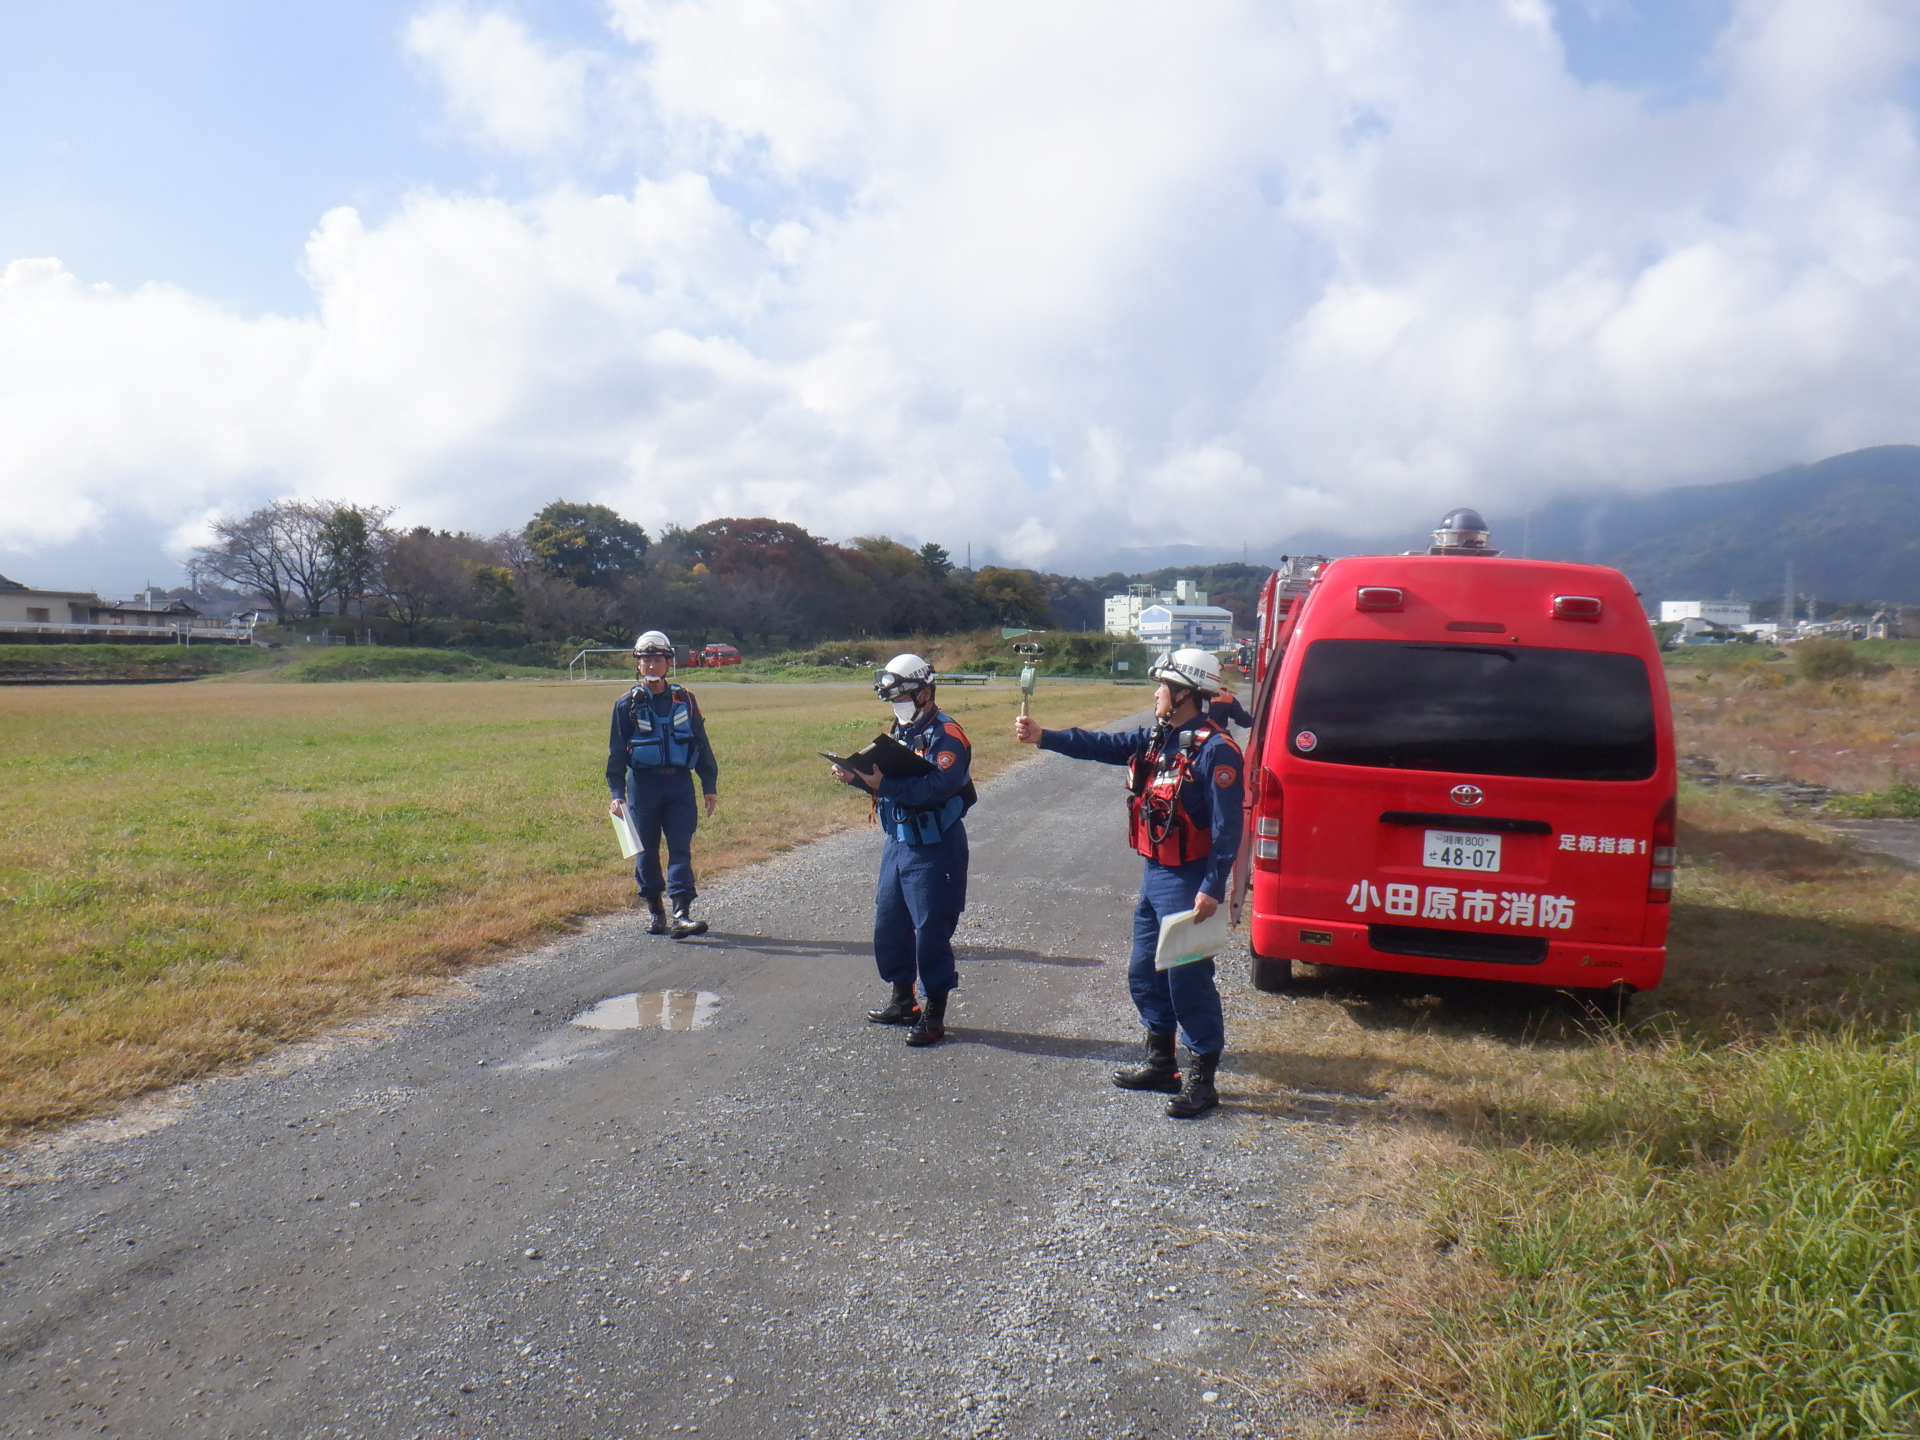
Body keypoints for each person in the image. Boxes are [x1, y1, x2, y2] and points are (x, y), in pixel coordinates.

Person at [1014, 648, 1243, 1118]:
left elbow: (1228, 830)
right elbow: (1102, 744)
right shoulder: (1159, 737)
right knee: (1144, 972)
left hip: (1188, 880)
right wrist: (1044, 736)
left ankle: (1202, 1080)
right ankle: (1162, 1064)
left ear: (1184, 694)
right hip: (1155, 874)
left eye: (1162, 686)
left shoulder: (1217, 750)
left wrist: (1212, 886)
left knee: (1188, 979)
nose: (1156, 694)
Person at [831, 654, 974, 1047]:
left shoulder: (948, 735)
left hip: (935, 848)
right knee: (890, 923)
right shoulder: (902, 730)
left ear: (924, 692)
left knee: (930, 931)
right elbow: (888, 779)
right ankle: (902, 1000)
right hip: (898, 842)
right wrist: (856, 778)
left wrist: (883, 785)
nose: (898, 705)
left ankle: (934, 1013)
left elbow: (938, 787)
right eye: (892, 699)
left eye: (902, 696)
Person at [607, 630, 719, 939]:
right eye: (646, 660)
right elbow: (617, 753)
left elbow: (700, 743)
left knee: (680, 847)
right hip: (643, 787)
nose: (652, 665)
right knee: (645, 851)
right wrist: (617, 794)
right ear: (638, 665)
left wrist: (709, 784)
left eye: (658, 660)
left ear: (669, 663)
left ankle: (682, 914)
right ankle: (656, 911)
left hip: (680, 785)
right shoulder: (625, 704)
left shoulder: (686, 700)